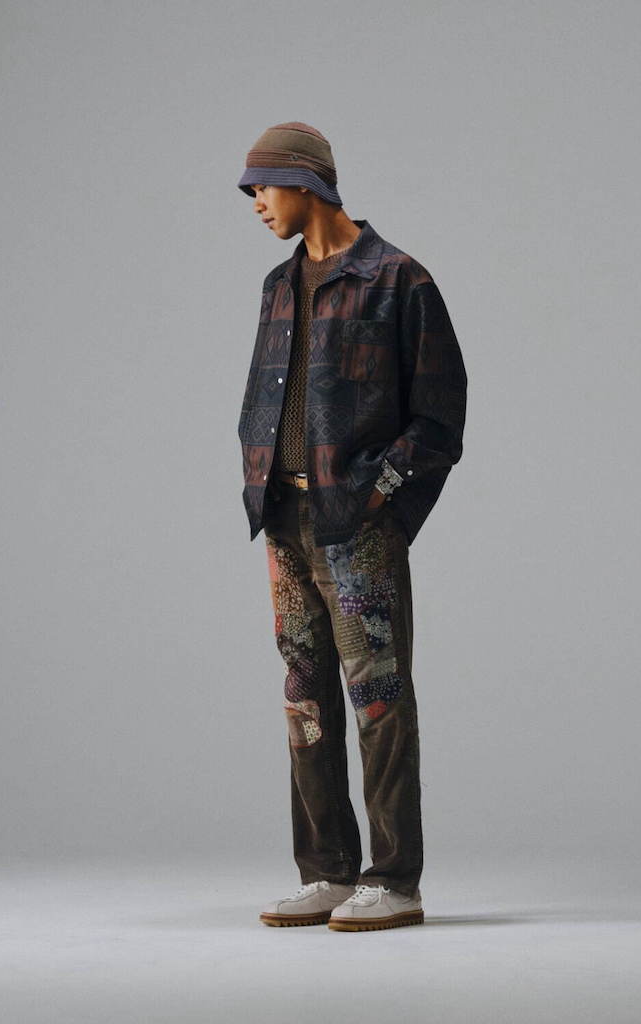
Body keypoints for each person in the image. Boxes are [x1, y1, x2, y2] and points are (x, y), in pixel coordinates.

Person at [236, 122, 467, 932]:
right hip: (283, 518)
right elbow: (268, 396)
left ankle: (394, 880)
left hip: (355, 526)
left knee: (378, 698)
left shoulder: (398, 279)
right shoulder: (278, 284)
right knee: (304, 697)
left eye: (263, 185)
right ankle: (327, 872)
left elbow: (439, 418)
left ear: (307, 183)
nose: (256, 202)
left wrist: (378, 499)